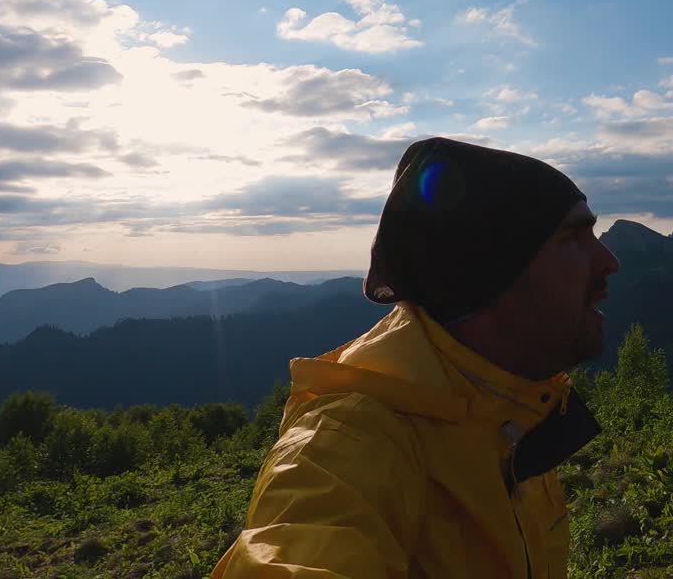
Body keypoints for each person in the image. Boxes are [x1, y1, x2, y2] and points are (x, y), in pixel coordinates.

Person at [211, 136, 621, 579]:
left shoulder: (511, 410)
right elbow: (297, 546)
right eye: (573, 238)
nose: (609, 261)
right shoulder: (346, 442)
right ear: (493, 269)